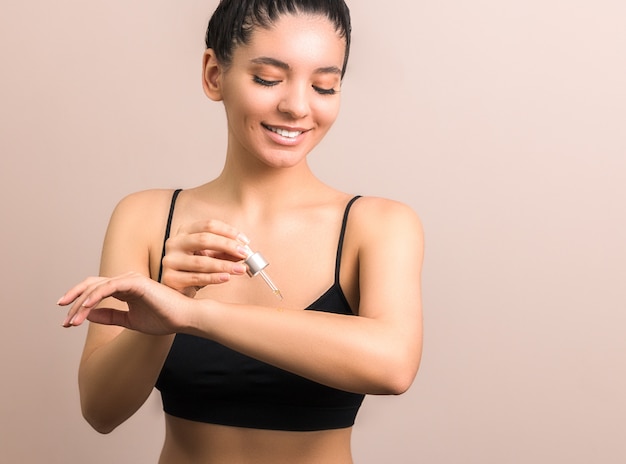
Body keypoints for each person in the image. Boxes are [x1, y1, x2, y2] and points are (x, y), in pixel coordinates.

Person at [58, 0, 424, 462]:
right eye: (268, 79)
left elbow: (393, 366)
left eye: (325, 86)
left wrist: (190, 316)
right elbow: (100, 410)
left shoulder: (378, 225)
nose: (296, 106)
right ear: (214, 74)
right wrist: (158, 319)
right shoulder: (147, 217)